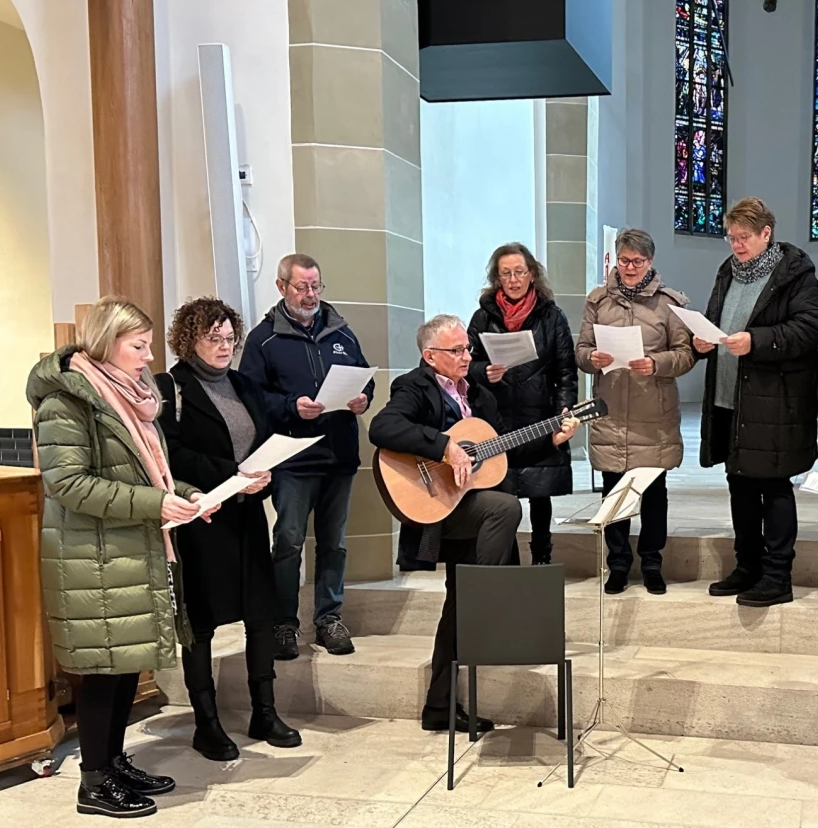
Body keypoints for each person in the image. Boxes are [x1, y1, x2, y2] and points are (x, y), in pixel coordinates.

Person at [27, 297, 219, 819]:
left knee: (126, 663)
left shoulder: (129, 397)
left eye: (149, 344)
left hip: (129, 546)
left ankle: (112, 761)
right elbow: (67, 484)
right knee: (103, 668)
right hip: (92, 555)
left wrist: (193, 494)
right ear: (106, 342)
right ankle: (93, 782)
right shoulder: (67, 400)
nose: (148, 356)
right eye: (139, 345)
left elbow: (145, 475)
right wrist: (159, 504)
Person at [369, 314, 579, 732]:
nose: (468, 356)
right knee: (505, 508)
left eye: (467, 348)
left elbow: (499, 453)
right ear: (430, 355)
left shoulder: (480, 395)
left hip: (469, 510)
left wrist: (550, 438)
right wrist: (446, 446)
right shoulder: (414, 386)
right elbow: (383, 427)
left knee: (458, 605)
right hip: (436, 507)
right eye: (457, 350)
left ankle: (439, 706)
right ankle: (494, 601)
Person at [155, 297, 301, 762]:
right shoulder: (169, 387)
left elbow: (260, 443)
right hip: (200, 518)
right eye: (212, 338)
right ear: (188, 341)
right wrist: (233, 471)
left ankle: (265, 711)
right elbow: (170, 455)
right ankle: (207, 723)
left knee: (261, 613)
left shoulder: (243, 385)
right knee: (200, 623)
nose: (223, 346)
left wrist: (260, 474)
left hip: (246, 515)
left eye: (228, 337)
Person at [239, 253, 375, 660]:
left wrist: (362, 400)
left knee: (334, 543)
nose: (311, 294)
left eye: (316, 286)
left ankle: (328, 618)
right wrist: (289, 406)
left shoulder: (342, 332)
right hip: (294, 459)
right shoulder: (263, 339)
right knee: (288, 541)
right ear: (282, 288)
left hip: (338, 455)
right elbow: (251, 396)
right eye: (302, 287)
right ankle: (283, 623)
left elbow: (363, 376)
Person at [695, 197, 818, 608]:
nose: (736, 244)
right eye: (731, 237)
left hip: (774, 402)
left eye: (744, 237)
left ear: (767, 234)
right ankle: (747, 566)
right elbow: (719, 323)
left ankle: (777, 575)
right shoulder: (727, 273)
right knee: (740, 486)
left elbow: (808, 329)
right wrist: (703, 342)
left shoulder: (795, 275)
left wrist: (757, 340)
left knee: (774, 486)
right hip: (730, 398)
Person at [575, 228, 695, 595]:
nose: (630, 267)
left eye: (637, 261)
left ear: (651, 262)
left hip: (652, 415)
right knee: (614, 493)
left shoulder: (669, 303)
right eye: (624, 260)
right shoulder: (598, 300)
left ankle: (652, 563)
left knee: (653, 493)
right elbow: (580, 350)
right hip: (611, 411)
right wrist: (592, 358)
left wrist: (656, 363)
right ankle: (618, 564)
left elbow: (686, 354)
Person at [468, 243, 578, 565]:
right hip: (495, 417)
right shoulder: (483, 316)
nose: (513, 279)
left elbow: (565, 370)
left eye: (519, 272)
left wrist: (563, 411)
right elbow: (467, 361)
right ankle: (508, 559)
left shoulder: (551, 315)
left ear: (532, 274)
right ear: (497, 278)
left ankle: (542, 555)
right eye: (506, 273)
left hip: (539, 414)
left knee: (539, 491)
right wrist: (483, 371)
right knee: (501, 492)